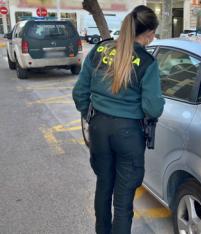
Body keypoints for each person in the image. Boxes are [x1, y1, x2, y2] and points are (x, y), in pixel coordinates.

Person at [72, 5, 165, 234]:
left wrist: (91, 116)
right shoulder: (147, 62)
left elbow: (79, 93)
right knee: (123, 202)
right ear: (150, 32)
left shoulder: (100, 50)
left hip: (99, 129)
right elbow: (152, 108)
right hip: (128, 133)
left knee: (103, 185)